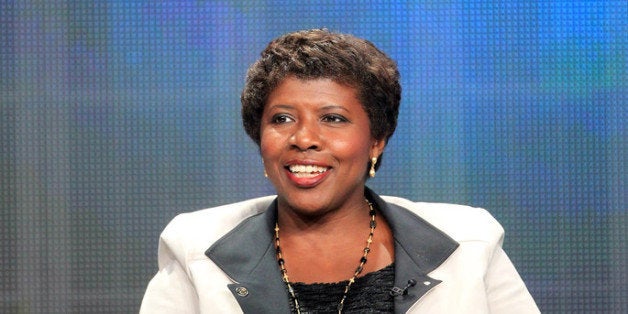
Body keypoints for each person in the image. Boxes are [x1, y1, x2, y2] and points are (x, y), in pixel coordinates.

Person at [140, 29, 539, 313]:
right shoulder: (194, 250)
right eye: (281, 118)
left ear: (377, 140)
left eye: (332, 118)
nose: (304, 138)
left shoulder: (469, 243)